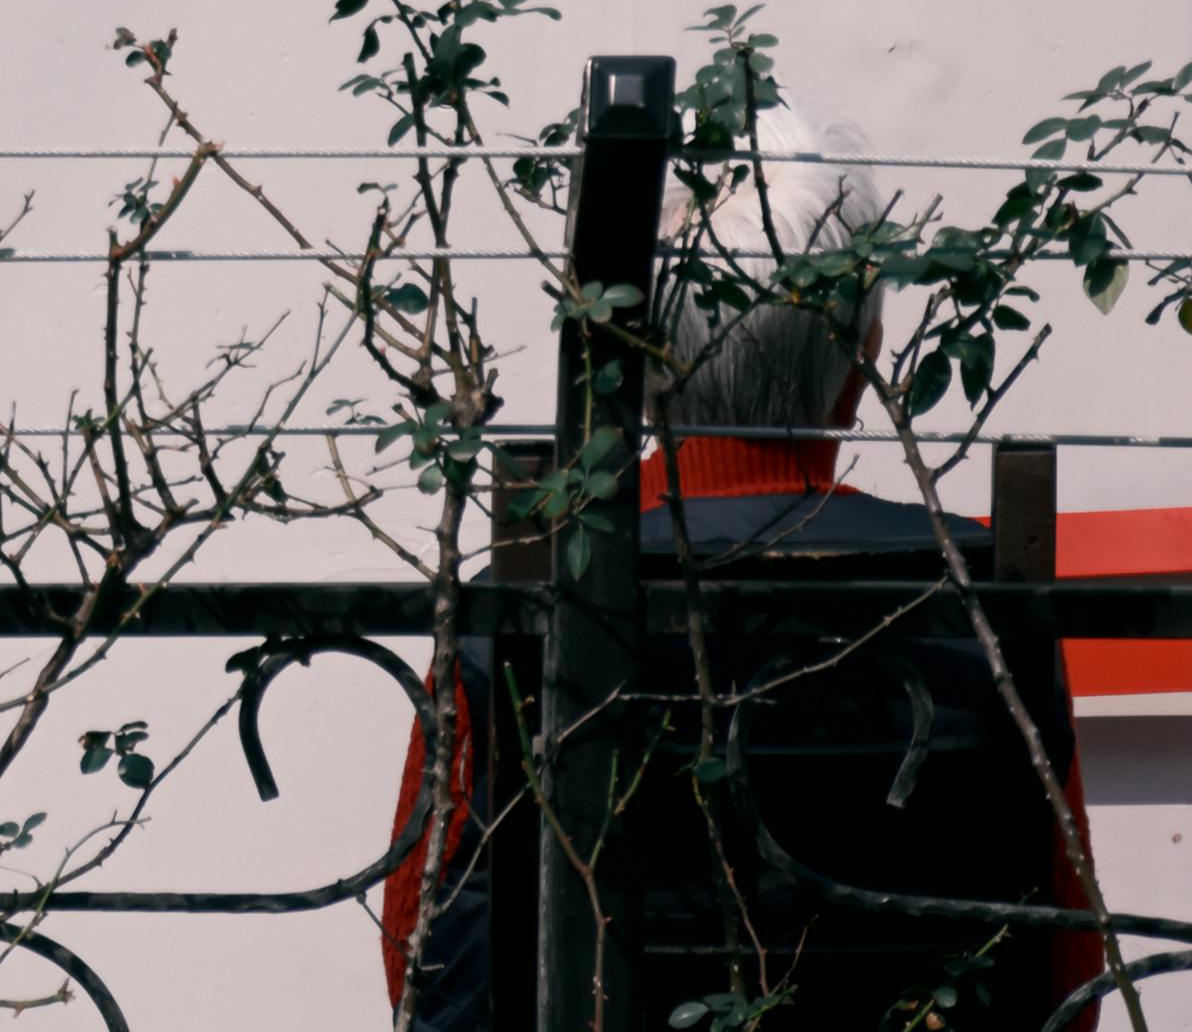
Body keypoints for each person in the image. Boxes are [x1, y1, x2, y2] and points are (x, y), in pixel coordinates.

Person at [378, 117, 1102, 1032]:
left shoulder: (533, 596)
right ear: (861, 362)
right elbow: (1064, 964)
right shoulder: (982, 590)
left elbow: (428, 949)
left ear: (640, 361)